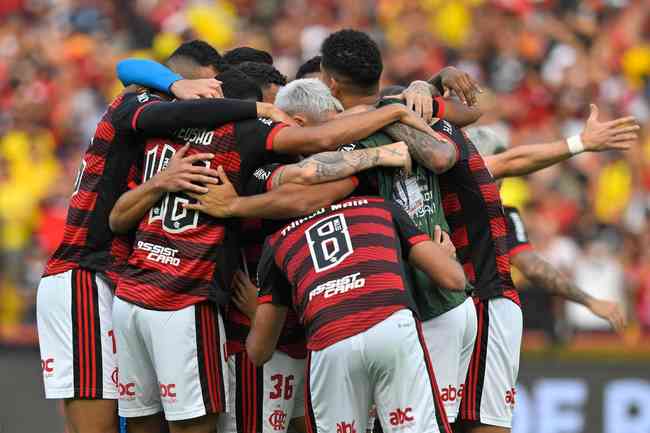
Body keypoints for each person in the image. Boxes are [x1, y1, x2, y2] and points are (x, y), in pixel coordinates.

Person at [108, 65, 429, 433]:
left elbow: (117, 220)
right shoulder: (241, 133)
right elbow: (311, 160)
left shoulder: (156, 128)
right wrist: (386, 134)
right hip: (184, 299)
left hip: (132, 293)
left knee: (143, 422)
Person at [35, 40, 286, 433]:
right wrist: (251, 108)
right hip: (83, 272)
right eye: (205, 90)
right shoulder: (140, 104)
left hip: (123, 280)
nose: (209, 102)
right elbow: (128, 63)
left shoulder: (170, 128)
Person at [248, 196, 466, 433]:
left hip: (330, 341)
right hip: (391, 326)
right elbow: (454, 279)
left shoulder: (277, 241)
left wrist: (253, 310)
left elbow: (259, 352)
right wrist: (444, 255)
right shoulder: (380, 207)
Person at [467, 126, 627, 333]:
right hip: (480, 316)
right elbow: (533, 268)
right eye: (497, 163)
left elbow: (534, 268)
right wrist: (589, 301)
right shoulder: (500, 216)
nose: (502, 175)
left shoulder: (438, 202)